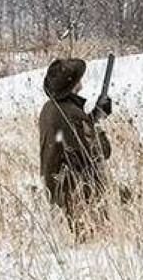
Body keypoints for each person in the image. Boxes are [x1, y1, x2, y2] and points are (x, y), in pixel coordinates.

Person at [39, 58, 113, 238]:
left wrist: (95, 115)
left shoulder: (50, 108)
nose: (82, 80)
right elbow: (98, 151)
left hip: (62, 187)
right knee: (92, 241)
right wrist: (97, 128)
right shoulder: (71, 114)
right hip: (79, 191)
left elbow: (71, 139)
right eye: (78, 78)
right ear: (72, 84)